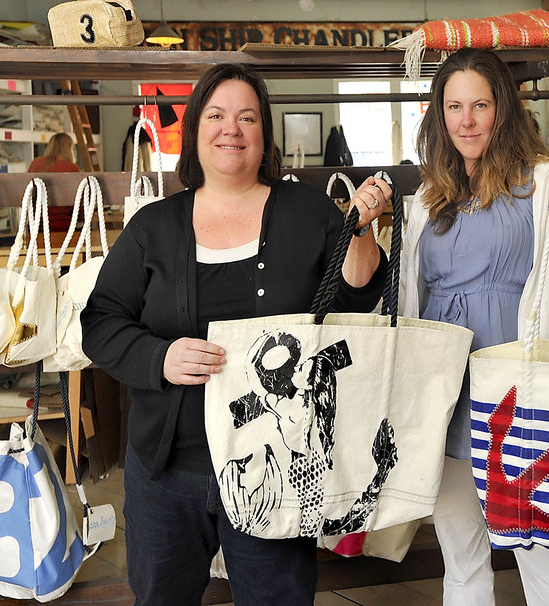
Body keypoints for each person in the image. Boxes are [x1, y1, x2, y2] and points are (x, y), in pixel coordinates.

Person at [80, 63, 390, 606]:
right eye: (218, 115)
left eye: (247, 117)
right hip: (167, 469)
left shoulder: (306, 211)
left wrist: (359, 230)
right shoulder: (154, 226)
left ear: (264, 133)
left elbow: (355, 299)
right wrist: (160, 357)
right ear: (196, 128)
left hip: (282, 464)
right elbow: (101, 321)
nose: (232, 129)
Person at [399, 48, 549, 605]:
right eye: (454, 106)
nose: (467, 121)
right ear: (439, 115)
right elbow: (409, 301)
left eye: (480, 105)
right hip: (445, 391)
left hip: (521, 390)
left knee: (548, 556)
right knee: (461, 558)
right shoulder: (425, 197)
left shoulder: (543, 180)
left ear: (502, 109)